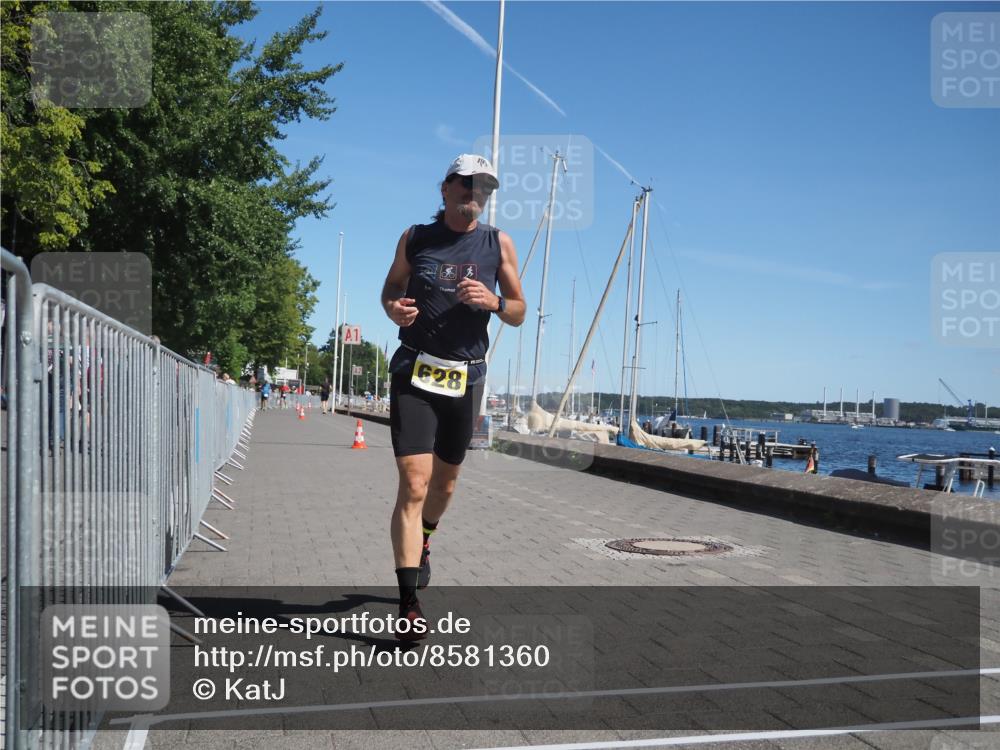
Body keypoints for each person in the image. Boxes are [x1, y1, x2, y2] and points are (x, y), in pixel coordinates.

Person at [381, 154, 526, 639]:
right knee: (415, 484)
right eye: (465, 184)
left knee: (442, 488)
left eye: (482, 187)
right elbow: (391, 288)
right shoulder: (415, 237)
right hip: (415, 370)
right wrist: (394, 310)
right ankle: (408, 606)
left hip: (465, 378)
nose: (474, 193)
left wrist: (495, 302)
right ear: (444, 188)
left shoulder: (496, 242)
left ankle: (424, 540)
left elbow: (520, 310)